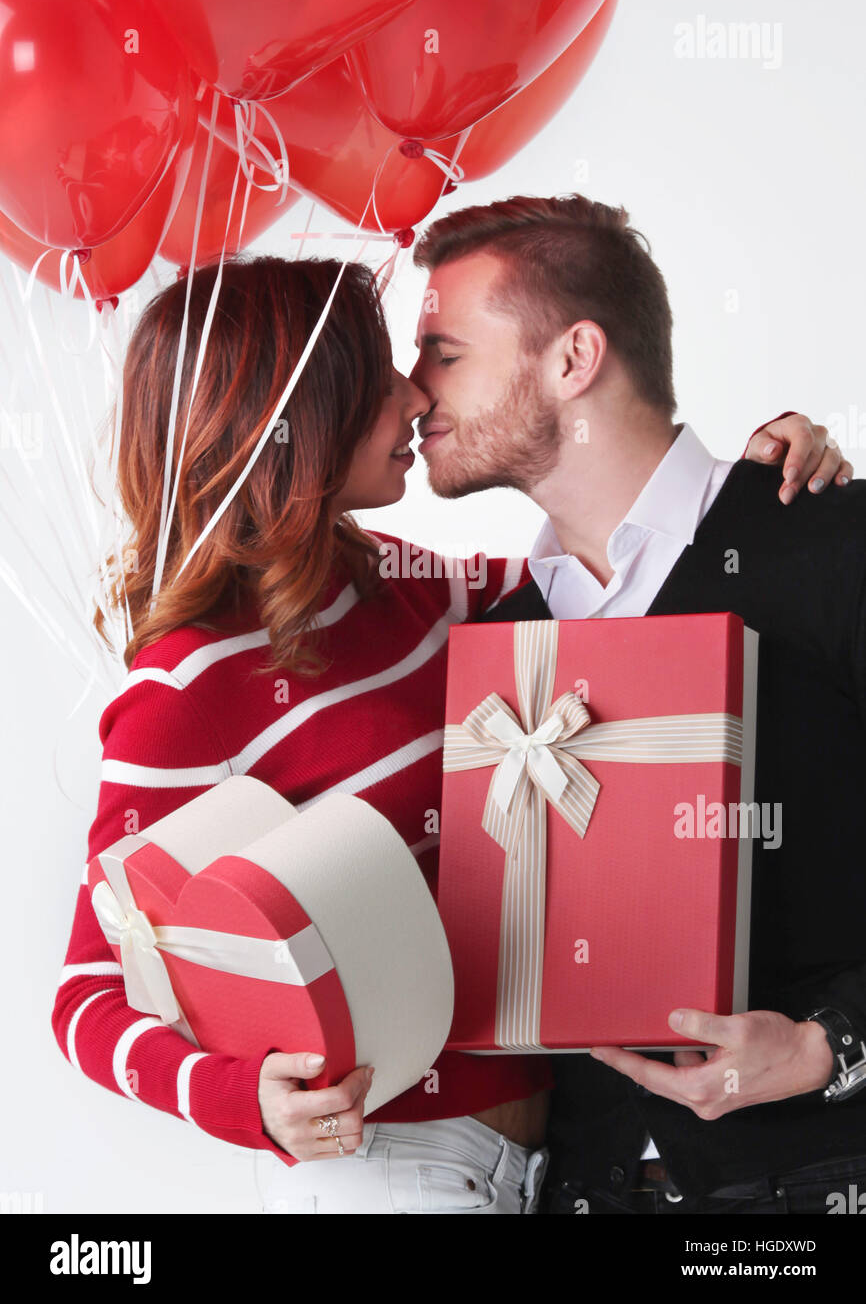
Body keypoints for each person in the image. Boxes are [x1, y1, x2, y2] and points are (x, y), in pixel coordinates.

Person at [51, 249, 840, 1216]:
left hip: (556, 1165)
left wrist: (752, 491)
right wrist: (240, 1100)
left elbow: (626, 565)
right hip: (397, 1167)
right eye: (377, 372)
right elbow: (88, 994)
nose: (411, 395)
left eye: (425, 358)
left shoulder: (416, 586)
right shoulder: (187, 681)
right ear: (297, 418)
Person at [407, 192, 866, 1215]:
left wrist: (823, 1048)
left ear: (571, 359)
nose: (410, 393)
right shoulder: (492, 637)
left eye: (443, 353)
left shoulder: (832, 544)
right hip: (582, 1191)